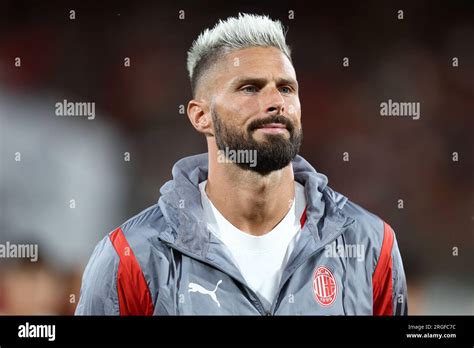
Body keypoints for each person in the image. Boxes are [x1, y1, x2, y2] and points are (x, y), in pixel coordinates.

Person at [75, 13, 407, 315]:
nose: (276, 102)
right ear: (201, 116)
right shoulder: (130, 256)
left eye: (286, 88)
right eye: (250, 88)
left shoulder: (370, 244)